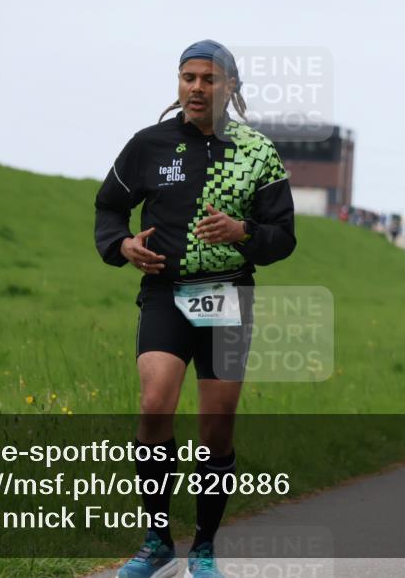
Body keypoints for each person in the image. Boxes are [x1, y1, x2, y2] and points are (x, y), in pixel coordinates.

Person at [94, 39, 296, 578]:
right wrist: (122, 246)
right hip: (165, 292)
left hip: (227, 295)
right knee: (155, 404)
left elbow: (284, 238)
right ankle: (157, 540)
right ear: (178, 83)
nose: (197, 88)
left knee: (217, 425)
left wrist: (243, 231)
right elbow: (110, 207)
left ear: (230, 86)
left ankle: (203, 548)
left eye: (209, 79)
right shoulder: (149, 145)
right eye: (188, 78)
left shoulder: (256, 153)